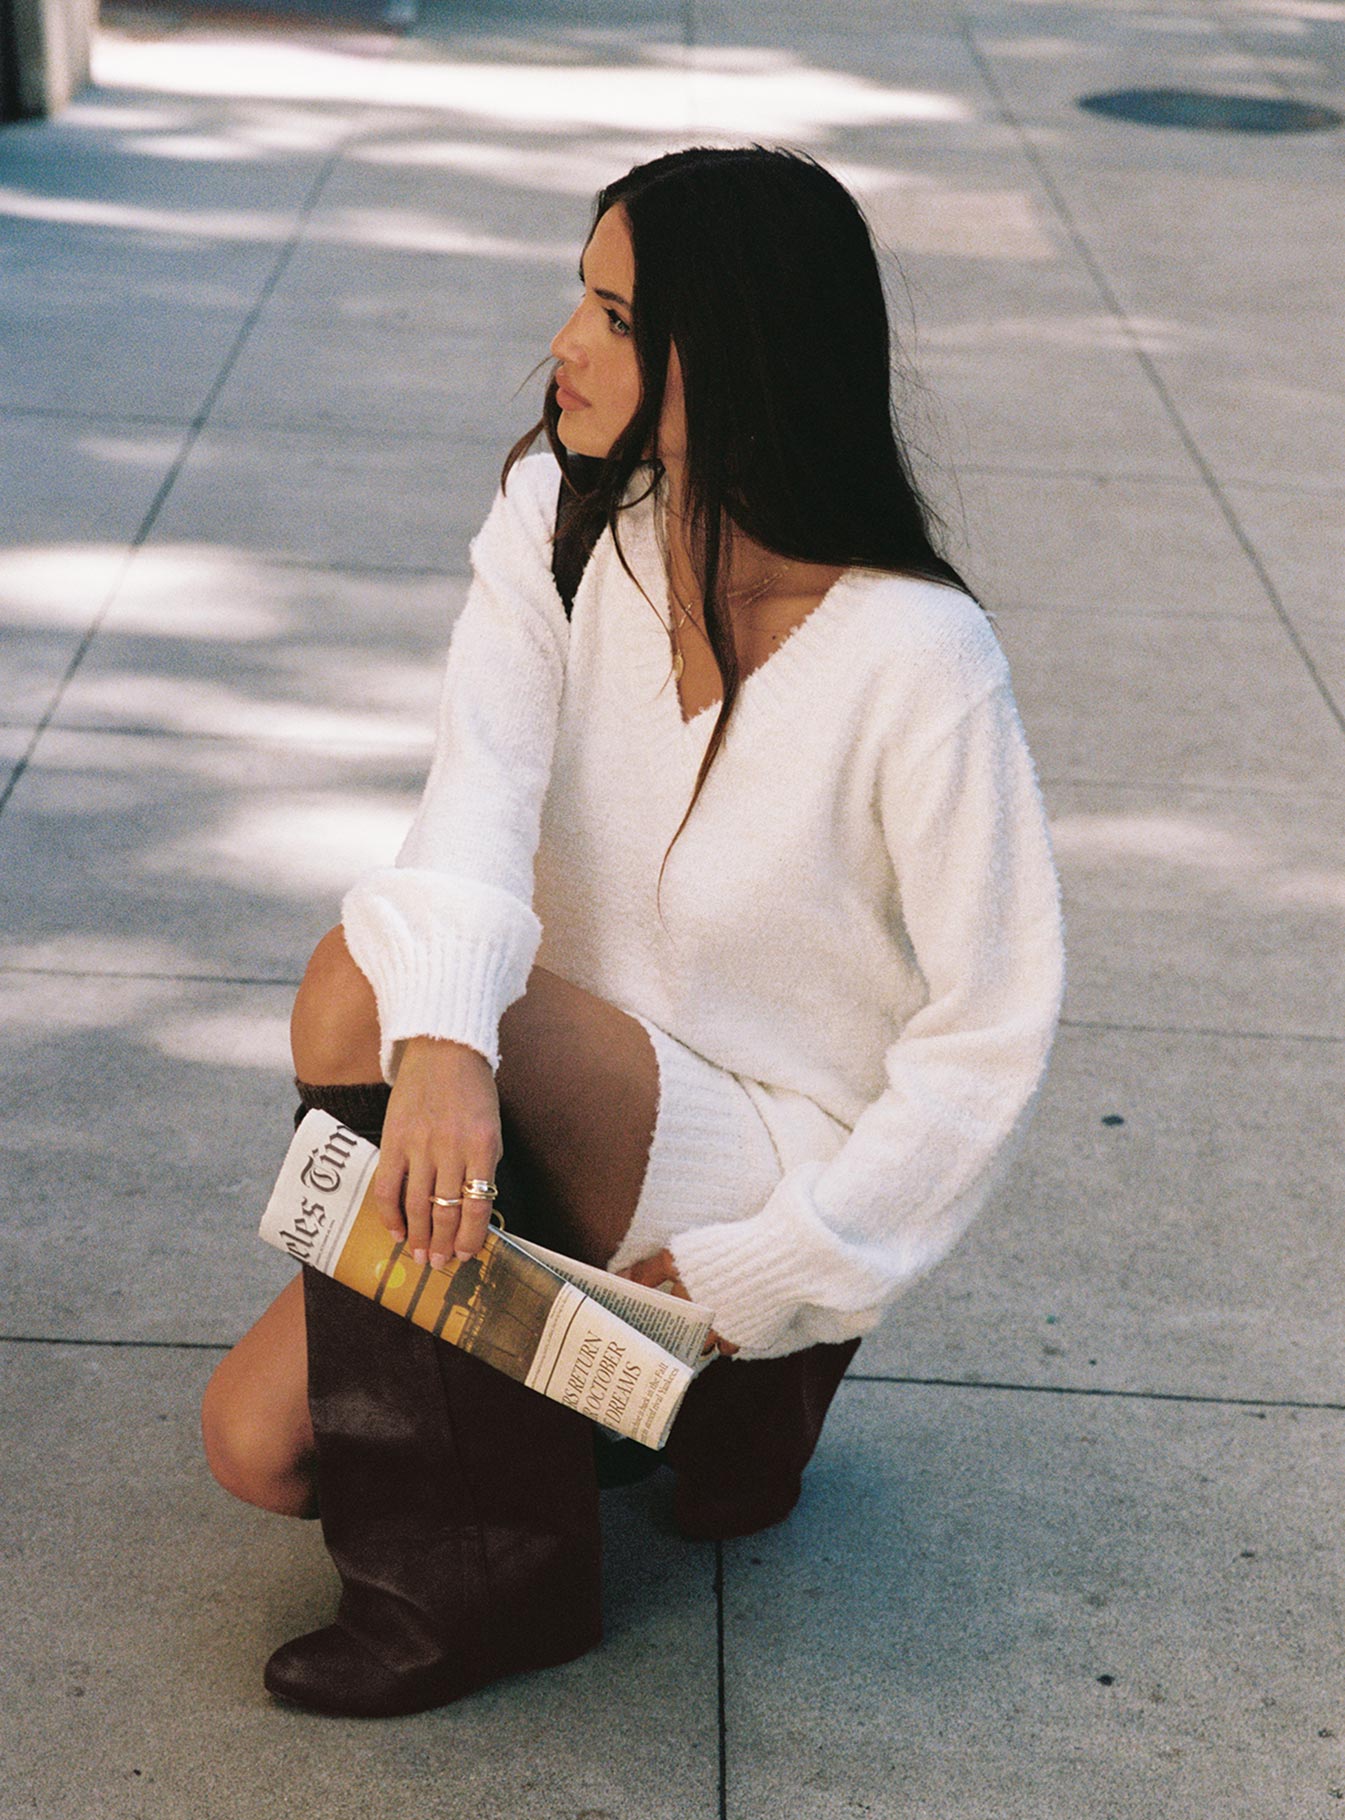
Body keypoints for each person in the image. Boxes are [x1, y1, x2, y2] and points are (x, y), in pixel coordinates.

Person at [200, 146, 1064, 1720]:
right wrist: (450, 1054)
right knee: (256, 1451)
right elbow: (474, 791)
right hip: (551, 1094)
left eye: (614, 314)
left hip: (762, 1147)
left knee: (361, 988)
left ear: (728, 356)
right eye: (578, 295)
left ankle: (497, 1575)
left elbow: (988, 1036)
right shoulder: (558, 517)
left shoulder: (917, 657)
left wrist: (784, 1267)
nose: (564, 345)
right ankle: (620, 1404)